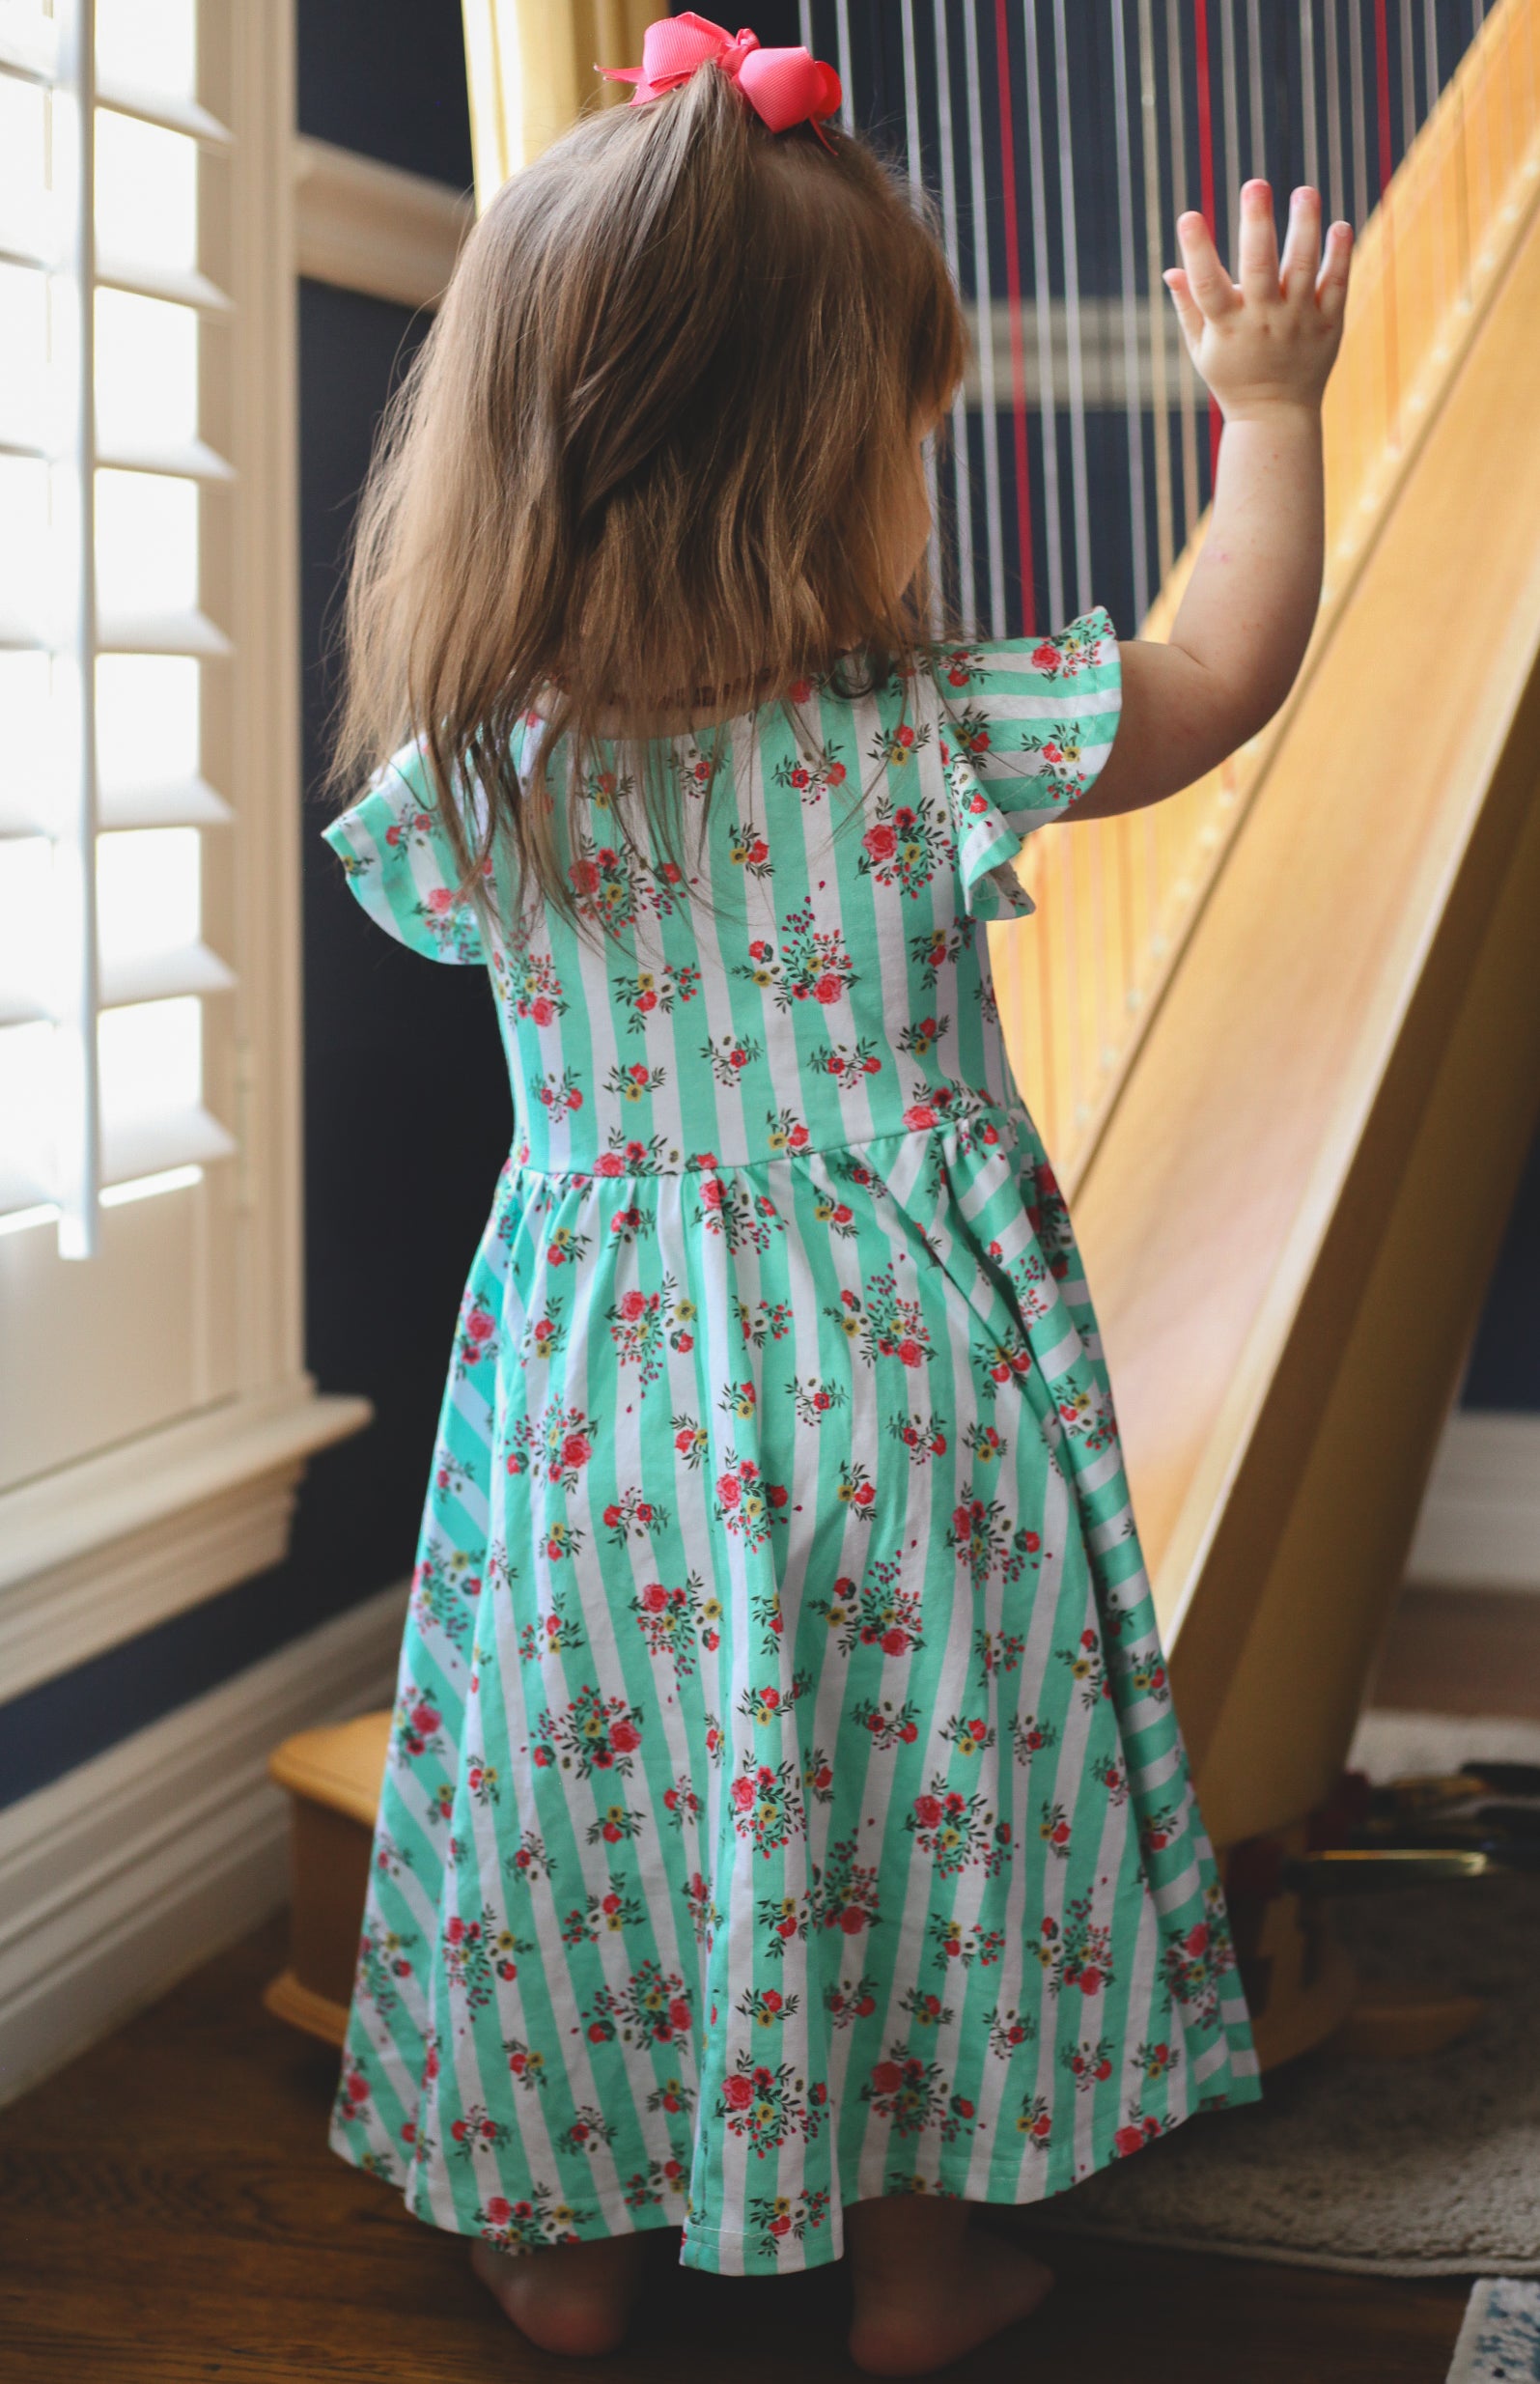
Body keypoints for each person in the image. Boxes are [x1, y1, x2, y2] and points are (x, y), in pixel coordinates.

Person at [320, 15, 1352, 2373]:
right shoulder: (921, 730)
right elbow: (1226, 663)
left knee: (618, 1785)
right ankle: (918, 2266)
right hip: (907, 1396)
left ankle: (574, 2245)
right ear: (819, 475)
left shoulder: (480, 782)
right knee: (899, 1800)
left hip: (596, 1416)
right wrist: (1270, 410)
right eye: (905, 440)